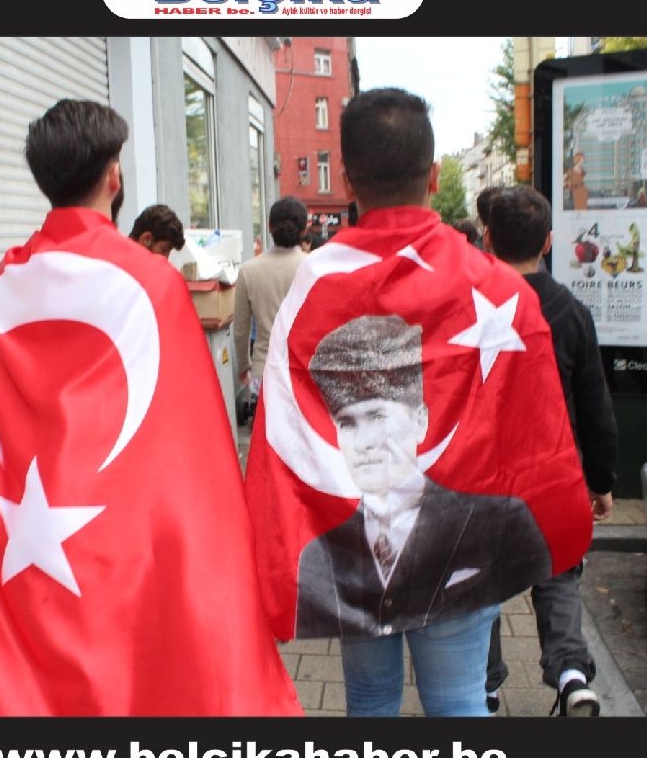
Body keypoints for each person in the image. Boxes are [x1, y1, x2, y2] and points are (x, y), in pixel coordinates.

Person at [0, 99, 303, 717]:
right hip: (124, 545)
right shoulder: (153, 284)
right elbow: (190, 445)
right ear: (113, 176)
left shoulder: (4, 282)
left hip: (27, 534)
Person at [244, 87, 595, 719]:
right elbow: (535, 424)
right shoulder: (499, 288)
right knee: (459, 700)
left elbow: (286, 424)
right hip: (466, 547)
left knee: (370, 699)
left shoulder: (312, 283)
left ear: (346, 178)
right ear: (433, 176)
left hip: (351, 552)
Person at [297, 315, 554, 714]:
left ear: (421, 420)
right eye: (347, 423)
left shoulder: (492, 522)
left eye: (378, 416)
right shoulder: (321, 554)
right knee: (388, 701)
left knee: (446, 703)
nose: (364, 442)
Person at [483, 184, 619, 717]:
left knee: (484, 583)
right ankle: (570, 676)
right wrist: (600, 481)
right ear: (548, 242)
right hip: (554, 474)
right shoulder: (572, 312)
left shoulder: (468, 306)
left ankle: (484, 686)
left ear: (487, 238)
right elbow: (595, 405)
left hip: (484, 477)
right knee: (559, 573)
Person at [233, 196, 308, 401]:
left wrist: (244, 365)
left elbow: (241, 330)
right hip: (304, 369)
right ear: (304, 230)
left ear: (269, 227)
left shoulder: (248, 271)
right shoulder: (314, 267)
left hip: (265, 368)